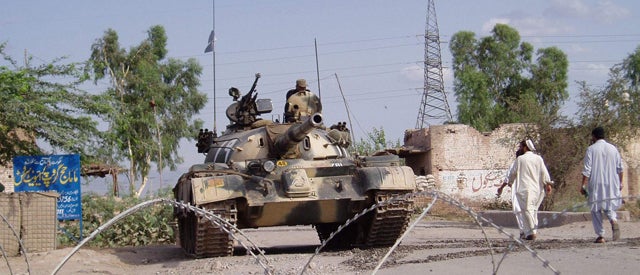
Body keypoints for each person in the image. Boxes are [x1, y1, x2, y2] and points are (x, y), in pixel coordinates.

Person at [581, 126, 623, 244]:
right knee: (609, 204)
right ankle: (613, 220)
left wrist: (583, 185)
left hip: (596, 182)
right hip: (612, 182)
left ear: (594, 136)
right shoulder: (613, 149)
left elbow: (587, 169)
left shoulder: (591, 149)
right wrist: (620, 182)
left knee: (596, 208)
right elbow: (620, 168)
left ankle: (601, 235)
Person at [507, 139, 553, 240]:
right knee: (529, 211)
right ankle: (528, 233)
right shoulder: (538, 158)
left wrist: (510, 182)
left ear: (525, 147)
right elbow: (544, 172)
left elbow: (513, 173)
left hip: (525, 188)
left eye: (520, 146)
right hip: (537, 189)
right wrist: (548, 184)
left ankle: (532, 232)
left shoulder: (520, 159)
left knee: (528, 210)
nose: (520, 148)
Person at [497, 147, 525, 238]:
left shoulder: (515, 164)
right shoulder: (530, 163)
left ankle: (523, 231)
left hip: (517, 189)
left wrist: (501, 187)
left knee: (518, 210)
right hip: (529, 189)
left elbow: (508, 177)